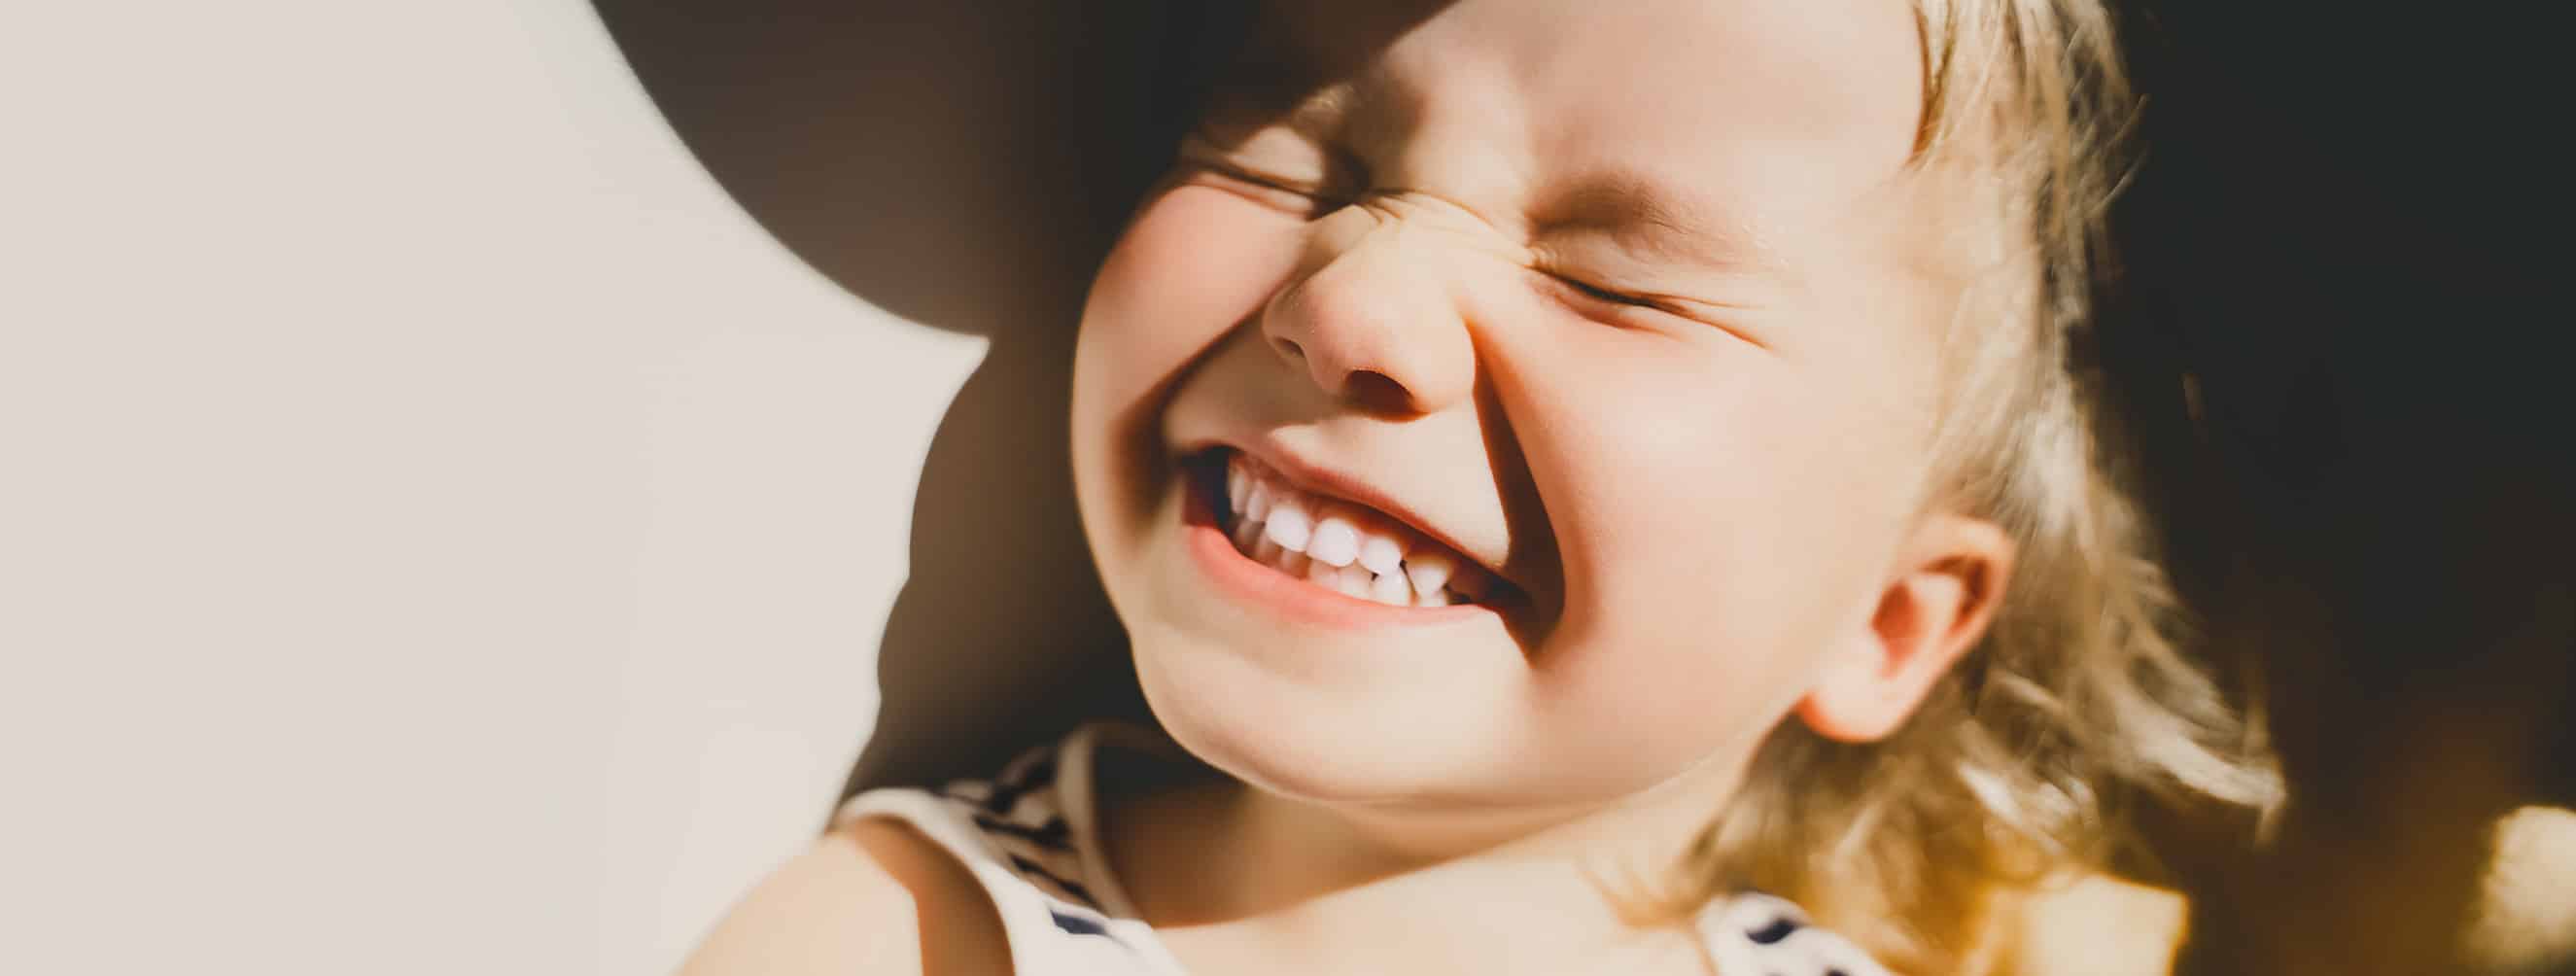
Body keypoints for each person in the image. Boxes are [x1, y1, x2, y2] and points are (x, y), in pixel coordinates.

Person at [678, 1, 2278, 972]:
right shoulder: (911, 940)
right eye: (1292, 162)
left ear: (1886, 625)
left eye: (1620, 284)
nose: (1349, 301)